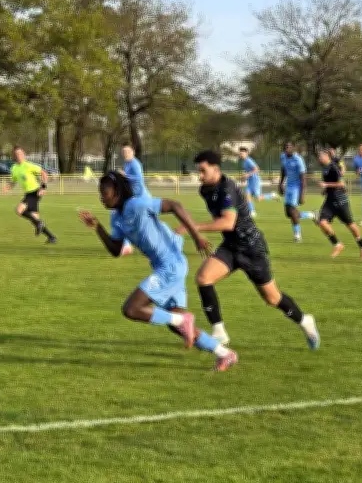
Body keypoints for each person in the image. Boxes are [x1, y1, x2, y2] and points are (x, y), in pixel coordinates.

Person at [78, 171, 239, 371]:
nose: (102, 197)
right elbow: (116, 250)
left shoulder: (136, 204)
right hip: (167, 266)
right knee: (176, 325)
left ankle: (184, 319)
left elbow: (174, 205)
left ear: (117, 192)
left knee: (132, 309)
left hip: (170, 266)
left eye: (105, 192)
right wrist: (97, 228)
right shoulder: (117, 217)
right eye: (100, 193)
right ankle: (225, 354)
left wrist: (196, 236)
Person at [184, 150, 320, 350]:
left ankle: (305, 321)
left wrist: (193, 227)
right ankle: (219, 332)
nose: (200, 176)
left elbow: (228, 222)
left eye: (203, 171)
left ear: (216, 169)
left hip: (251, 248)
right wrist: (198, 237)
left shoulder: (227, 188)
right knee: (203, 278)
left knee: (272, 299)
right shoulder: (205, 190)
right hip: (231, 246)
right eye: (199, 171)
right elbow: (219, 221)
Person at [313, 150, 362, 260]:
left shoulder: (334, 167)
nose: (319, 158)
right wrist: (325, 190)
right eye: (319, 156)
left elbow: (342, 184)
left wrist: (326, 184)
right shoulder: (324, 168)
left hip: (340, 201)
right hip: (329, 201)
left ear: (327, 157)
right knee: (322, 222)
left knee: (350, 225)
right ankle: (337, 245)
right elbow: (329, 184)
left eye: (321, 156)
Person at [3, 146, 57, 244]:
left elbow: (44, 173)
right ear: (14, 156)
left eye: (20, 153)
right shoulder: (14, 168)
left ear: (24, 154)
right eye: (16, 154)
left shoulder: (28, 165)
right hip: (28, 193)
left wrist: (43, 187)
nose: (18, 156)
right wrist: (7, 187)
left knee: (19, 210)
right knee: (34, 218)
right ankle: (51, 237)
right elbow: (13, 181)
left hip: (35, 192)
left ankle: (39, 223)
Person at [279, 142, 315, 242]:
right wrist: (280, 184)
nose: (287, 149)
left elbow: (303, 177)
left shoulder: (298, 159)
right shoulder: (283, 157)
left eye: (289, 147)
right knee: (288, 213)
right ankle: (312, 215)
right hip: (288, 186)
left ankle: (297, 235)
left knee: (292, 211)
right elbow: (283, 171)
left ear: (293, 148)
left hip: (297, 187)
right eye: (286, 147)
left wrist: (302, 194)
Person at [239, 147, 279, 218]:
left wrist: (248, 175)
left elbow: (257, 169)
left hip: (255, 181)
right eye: (240, 153)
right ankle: (252, 212)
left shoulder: (249, 160)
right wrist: (244, 178)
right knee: (247, 196)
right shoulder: (244, 162)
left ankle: (272, 195)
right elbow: (247, 173)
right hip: (250, 182)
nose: (241, 155)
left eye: (242, 153)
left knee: (258, 198)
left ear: (246, 153)